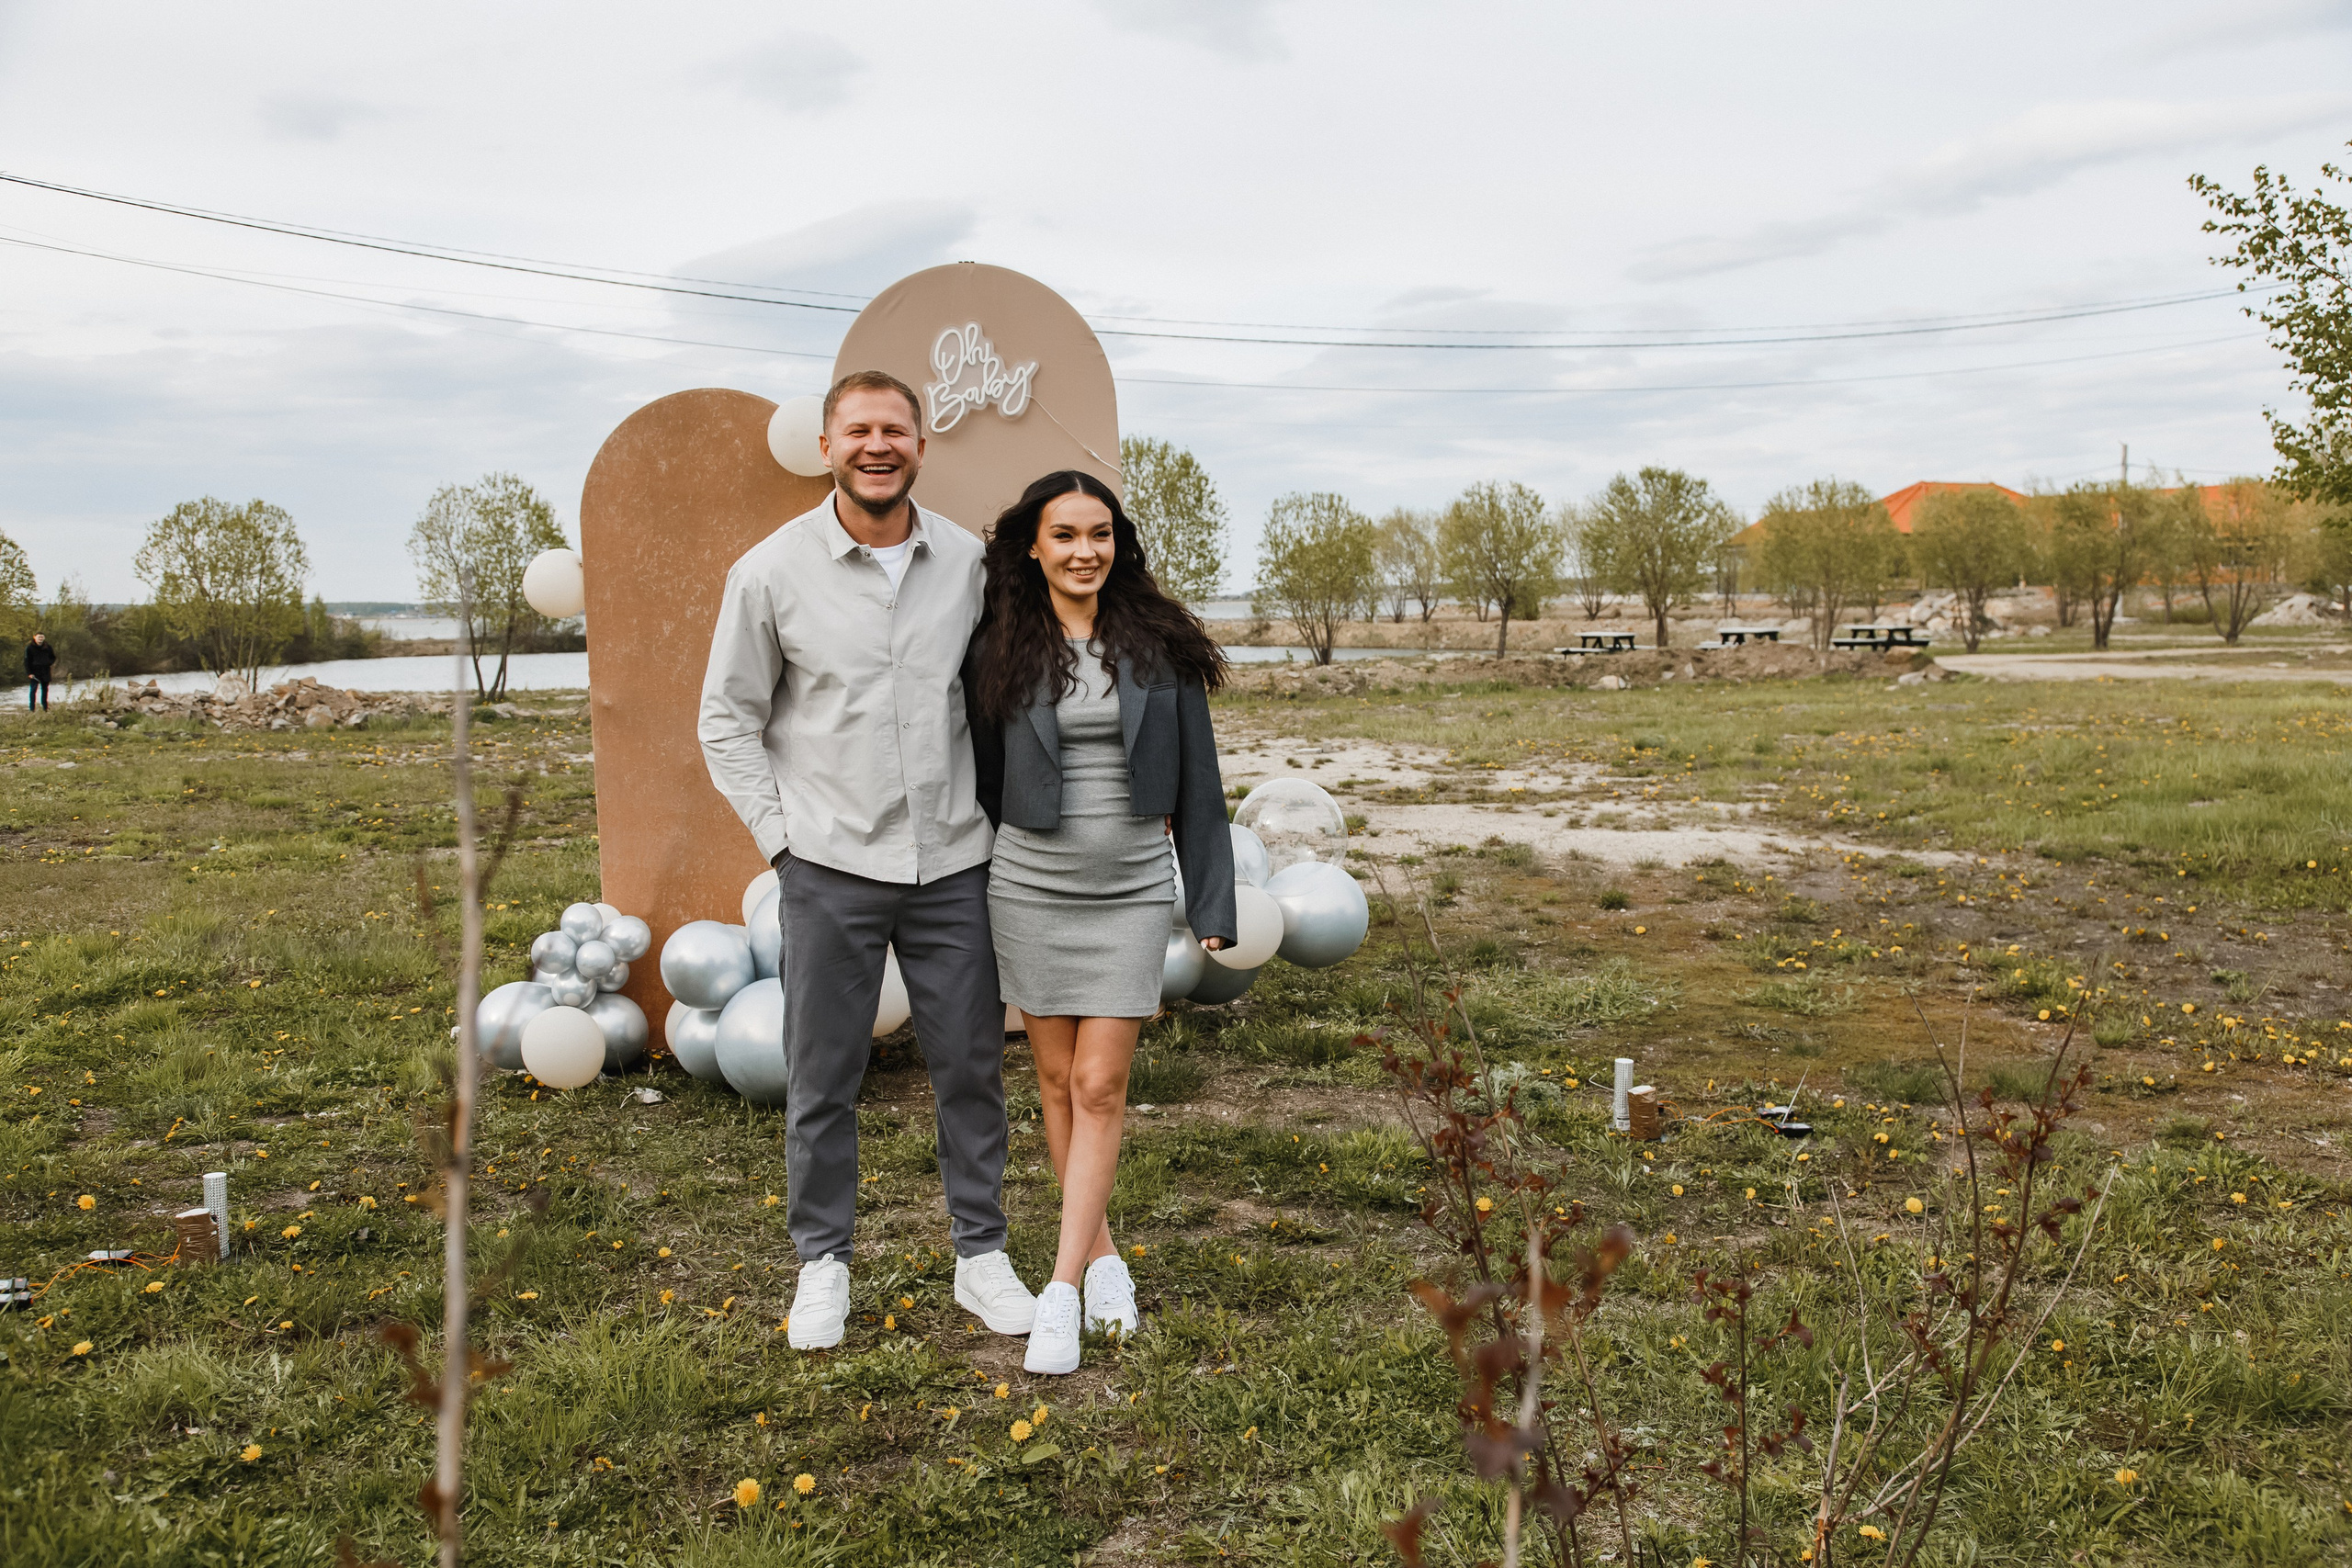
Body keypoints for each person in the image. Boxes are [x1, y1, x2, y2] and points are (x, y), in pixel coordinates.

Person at [698, 369, 1037, 1352]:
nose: (877, 446)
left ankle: (981, 1258)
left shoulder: (969, 564)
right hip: (830, 865)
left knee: (971, 1067)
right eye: (858, 431)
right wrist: (781, 842)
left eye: (895, 430)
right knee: (822, 1075)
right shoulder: (768, 571)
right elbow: (726, 720)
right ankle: (823, 1267)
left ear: (922, 446)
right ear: (827, 446)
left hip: (954, 863)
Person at [967, 469, 1236, 1375]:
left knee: (1098, 1085)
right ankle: (1106, 1255)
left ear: (1118, 545)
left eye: (1101, 534)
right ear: (1033, 547)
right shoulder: (999, 647)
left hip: (1128, 884)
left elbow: (1201, 785)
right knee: (1052, 1080)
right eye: (1066, 535)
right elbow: (980, 782)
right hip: (1030, 883)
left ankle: (1059, 1290)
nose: (1086, 551)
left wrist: (1211, 901)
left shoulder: (1157, 648)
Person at [25, 633, 54, 712]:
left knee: (45, 690)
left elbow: (53, 657)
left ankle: (45, 708)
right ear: (34, 637)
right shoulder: (29, 647)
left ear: (44, 638)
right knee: (33, 691)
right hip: (34, 672)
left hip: (45, 671)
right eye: (39, 637)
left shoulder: (48, 647)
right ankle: (32, 709)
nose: (40, 639)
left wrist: (48, 663)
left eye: (42, 637)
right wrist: (29, 673)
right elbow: (27, 661)